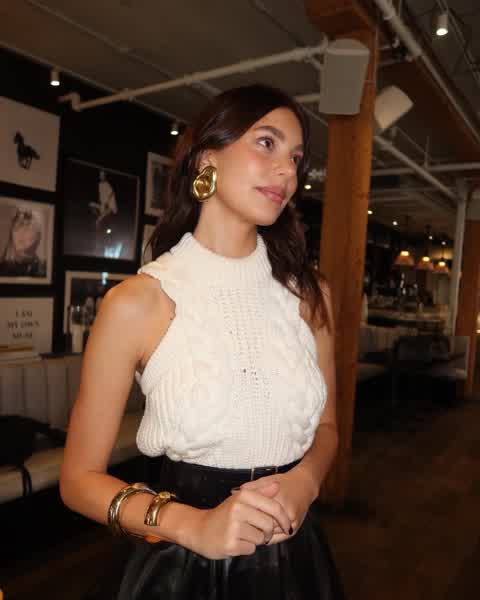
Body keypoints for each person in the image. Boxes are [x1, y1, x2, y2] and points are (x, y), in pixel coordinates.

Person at [60, 84, 344, 599]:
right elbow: (78, 479)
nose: (287, 170)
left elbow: (327, 428)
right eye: (267, 143)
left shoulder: (309, 294)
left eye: (296, 158)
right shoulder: (139, 301)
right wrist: (194, 526)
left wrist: (306, 482)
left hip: (296, 553)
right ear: (207, 158)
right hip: (183, 562)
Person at [0, 207, 46, 278]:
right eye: (16, 229)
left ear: (37, 236)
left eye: (27, 229)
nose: (20, 234)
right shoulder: (3, 267)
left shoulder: (43, 269)